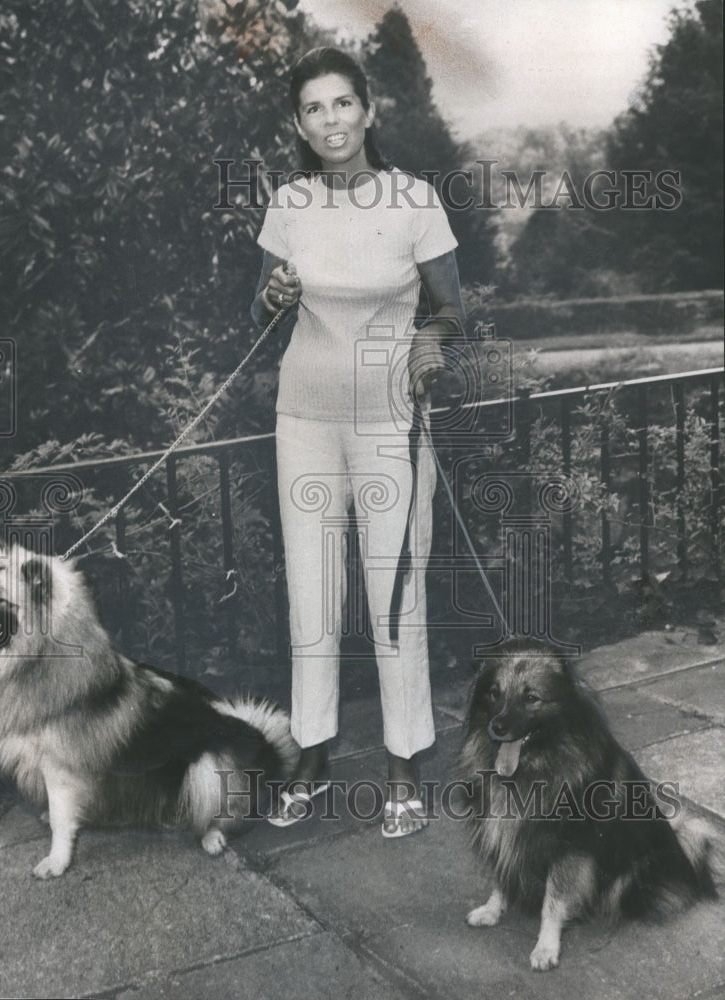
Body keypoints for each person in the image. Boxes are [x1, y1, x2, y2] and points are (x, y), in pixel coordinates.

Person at [251, 47, 465, 837]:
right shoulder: (289, 202)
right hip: (302, 418)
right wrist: (270, 294)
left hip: (389, 421)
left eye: (343, 104)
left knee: (393, 595)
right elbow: (262, 310)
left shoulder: (415, 200)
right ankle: (313, 752)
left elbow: (451, 310)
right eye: (313, 109)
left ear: (369, 111)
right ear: (299, 125)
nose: (330, 121)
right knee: (311, 594)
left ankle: (404, 760)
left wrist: (431, 345)